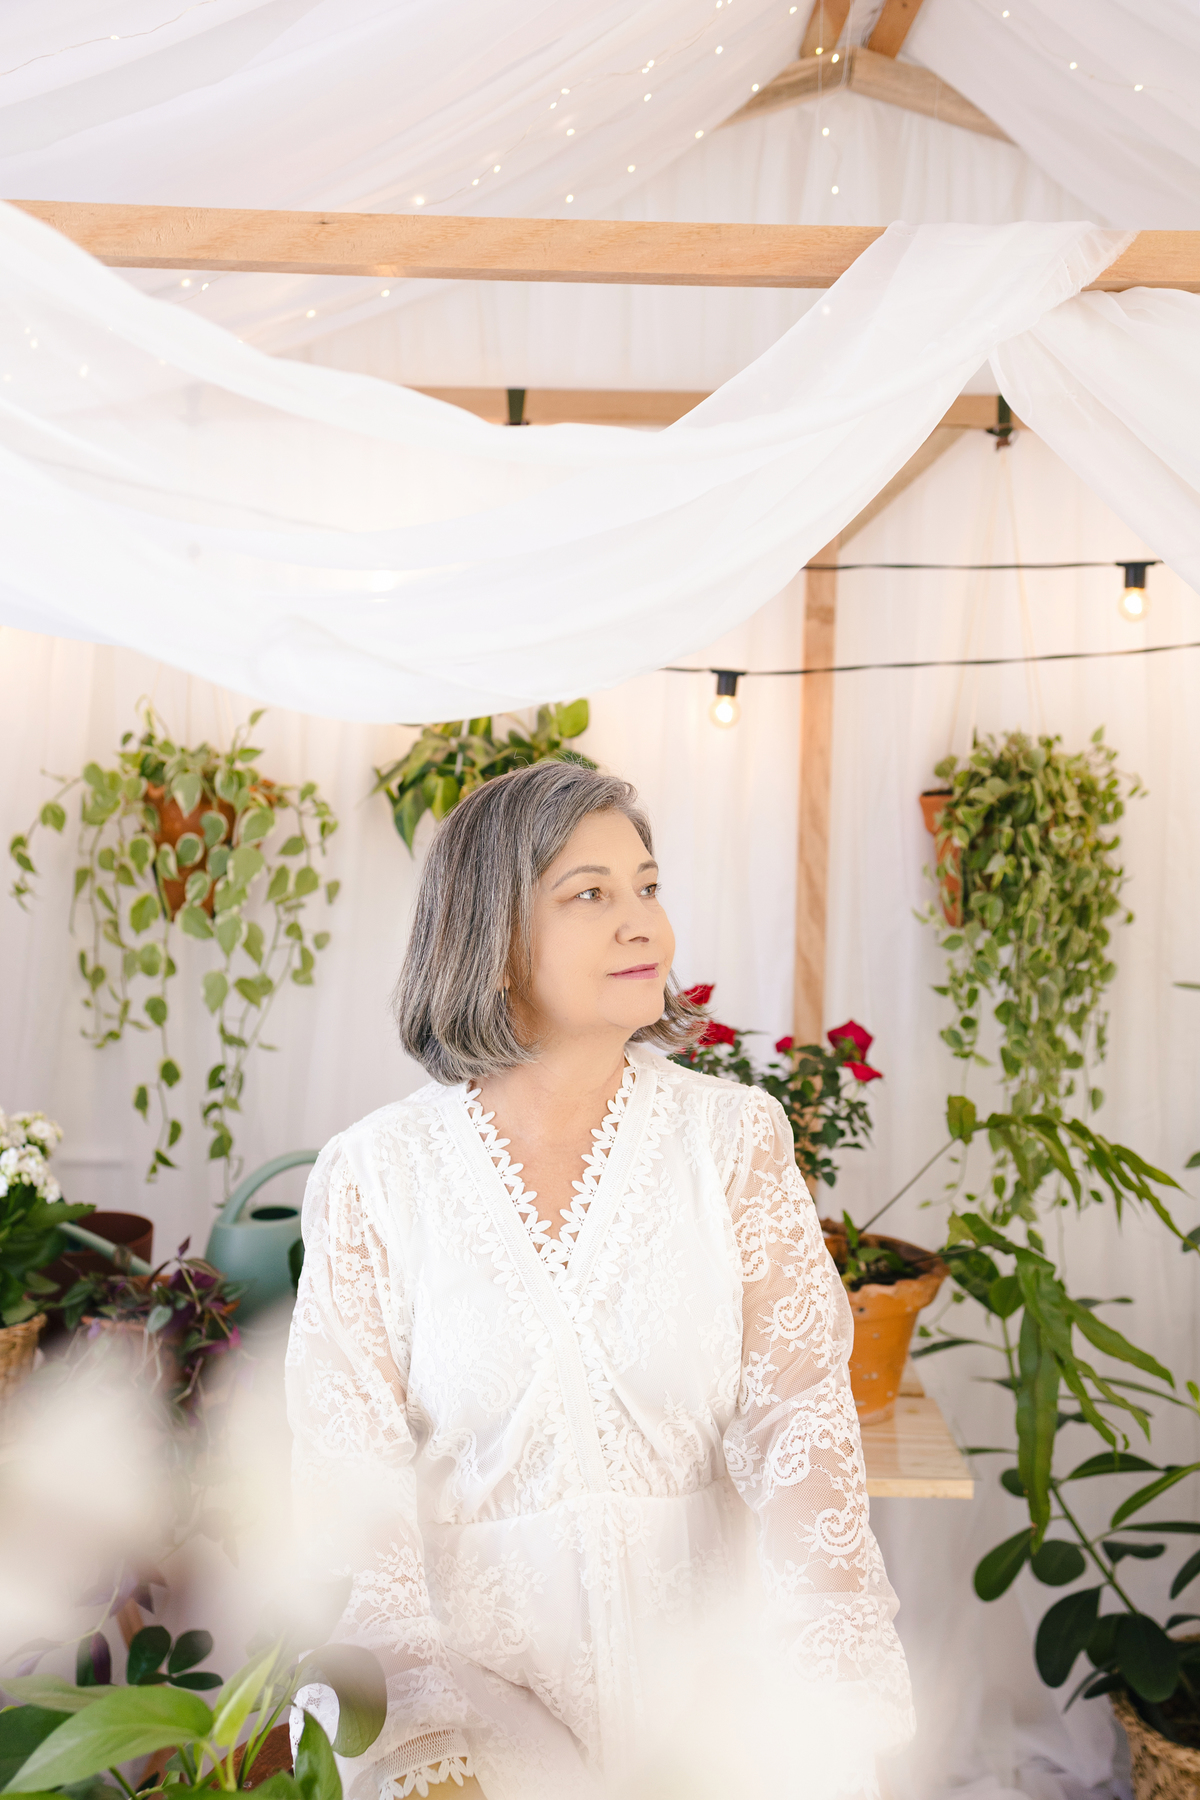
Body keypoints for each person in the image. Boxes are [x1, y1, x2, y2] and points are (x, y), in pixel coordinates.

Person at [285, 762, 913, 1800]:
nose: (644, 927)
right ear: (487, 942)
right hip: (475, 1721)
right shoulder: (375, 1177)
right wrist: (422, 1751)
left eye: (649, 887)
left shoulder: (734, 1141)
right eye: (591, 894)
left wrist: (826, 1681)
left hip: (715, 1707)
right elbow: (348, 1493)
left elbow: (800, 1424)